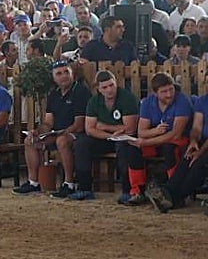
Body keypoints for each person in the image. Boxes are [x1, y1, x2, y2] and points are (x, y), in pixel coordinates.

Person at [14, 59, 90, 197]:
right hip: (56, 134)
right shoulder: (53, 94)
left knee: (62, 141)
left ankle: (69, 183)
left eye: (66, 72)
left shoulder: (80, 91)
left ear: (72, 73)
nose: (64, 76)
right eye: (59, 73)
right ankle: (33, 182)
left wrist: (60, 134)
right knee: (30, 141)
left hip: (78, 134)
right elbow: (48, 122)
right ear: (54, 78)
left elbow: (79, 124)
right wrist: (38, 131)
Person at [67, 70, 140, 202]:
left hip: (124, 138)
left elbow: (130, 128)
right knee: (81, 143)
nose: (109, 90)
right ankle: (85, 189)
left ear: (116, 83)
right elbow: (89, 129)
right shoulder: (94, 101)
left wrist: (105, 127)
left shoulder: (127, 98)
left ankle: (127, 191)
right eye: (105, 87)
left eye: (111, 85)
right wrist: (109, 135)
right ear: (98, 89)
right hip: (106, 138)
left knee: (124, 147)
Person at [130, 71, 193, 208]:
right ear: (155, 93)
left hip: (177, 139)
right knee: (133, 149)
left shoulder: (182, 101)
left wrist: (146, 141)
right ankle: (137, 191)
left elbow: (176, 134)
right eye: (164, 92)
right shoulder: (147, 103)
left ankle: (173, 191)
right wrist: (155, 131)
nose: (169, 94)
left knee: (170, 149)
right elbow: (141, 132)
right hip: (157, 137)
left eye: (171, 89)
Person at [150, 91, 208, 213]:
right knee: (187, 157)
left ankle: (174, 198)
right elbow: (196, 127)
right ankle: (167, 193)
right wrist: (193, 142)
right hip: (203, 141)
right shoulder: (202, 101)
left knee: (199, 164)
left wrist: (201, 152)